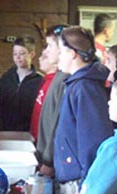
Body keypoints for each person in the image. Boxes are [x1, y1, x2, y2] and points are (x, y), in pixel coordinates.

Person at [54, 25, 113, 194]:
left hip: (79, 183)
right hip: (72, 177)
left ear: (72, 54)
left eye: (61, 51)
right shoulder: (77, 84)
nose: (58, 57)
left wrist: (87, 184)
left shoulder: (85, 88)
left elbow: (94, 141)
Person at [35, 24, 70, 177]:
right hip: (45, 155)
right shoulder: (58, 76)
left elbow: (58, 123)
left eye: (50, 46)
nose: (46, 51)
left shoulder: (65, 80)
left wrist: (48, 161)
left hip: (54, 161)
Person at [0, 35, 43, 131]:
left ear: (31, 54)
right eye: (15, 54)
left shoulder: (39, 80)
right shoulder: (6, 78)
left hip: (28, 131)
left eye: (22, 53)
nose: (18, 57)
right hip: (4, 131)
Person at [29, 51, 58, 140]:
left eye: (45, 57)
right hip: (36, 137)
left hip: (44, 138)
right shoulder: (45, 80)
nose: (39, 58)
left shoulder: (55, 84)